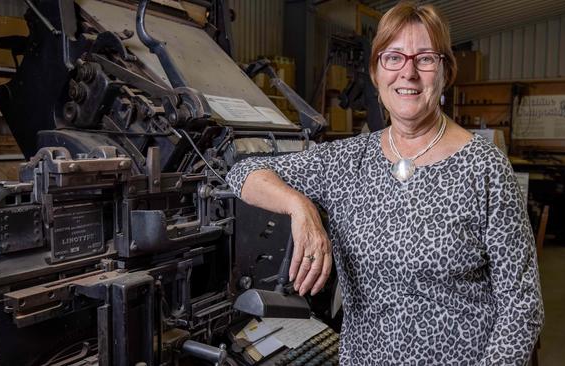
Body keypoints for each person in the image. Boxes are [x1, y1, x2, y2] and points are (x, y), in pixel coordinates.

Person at [226, 2, 544, 364]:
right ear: (377, 73)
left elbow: (522, 308)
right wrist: (301, 208)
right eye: (393, 58)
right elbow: (242, 173)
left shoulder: (485, 167)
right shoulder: (346, 160)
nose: (408, 73)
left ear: (445, 72)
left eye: (424, 58)